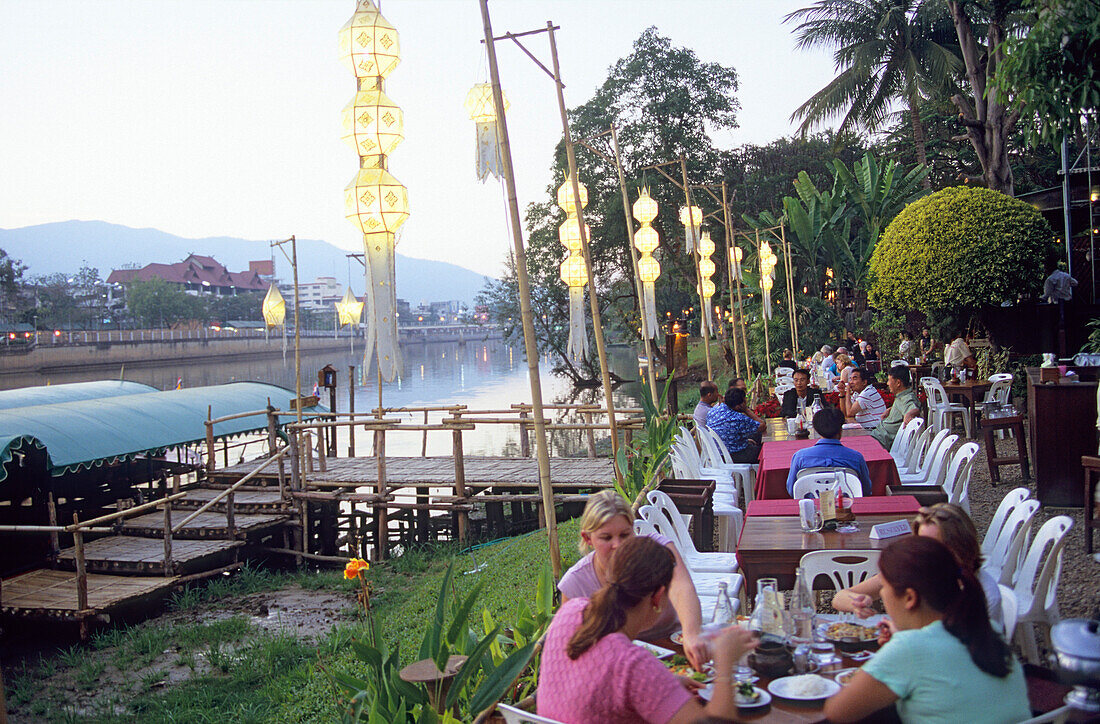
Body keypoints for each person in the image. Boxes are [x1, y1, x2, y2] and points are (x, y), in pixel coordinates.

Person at [539, 536, 758, 723]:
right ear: (658, 596)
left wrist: (663, 685)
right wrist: (726, 662)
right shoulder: (633, 665)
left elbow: (592, 681)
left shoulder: (569, 613)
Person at [823, 536, 1028, 724]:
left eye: (883, 587)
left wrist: (894, 649)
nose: (882, 594)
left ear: (910, 598)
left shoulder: (909, 649)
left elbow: (837, 712)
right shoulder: (986, 628)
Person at [558, 491, 709, 669]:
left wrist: (691, 635)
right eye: (606, 538)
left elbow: (682, 588)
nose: (618, 545)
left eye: (624, 535)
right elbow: (574, 644)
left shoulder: (657, 551)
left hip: (674, 646)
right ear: (587, 538)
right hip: (619, 663)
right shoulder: (575, 583)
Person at [831, 503, 1002, 628]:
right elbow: (839, 598)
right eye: (920, 542)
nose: (924, 551)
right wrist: (855, 603)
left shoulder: (983, 593)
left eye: (933, 545)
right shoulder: (917, 569)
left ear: (959, 546)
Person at [786, 407, 872, 496]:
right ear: (840, 430)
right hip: (846, 507)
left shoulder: (800, 457)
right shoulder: (856, 458)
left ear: (816, 430)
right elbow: (865, 490)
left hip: (812, 507)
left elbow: (792, 490)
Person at [707, 388, 765, 463]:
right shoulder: (738, 418)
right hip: (733, 455)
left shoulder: (713, 411)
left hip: (716, 453)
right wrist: (746, 410)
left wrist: (746, 441)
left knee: (755, 435)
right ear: (739, 406)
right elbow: (762, 426)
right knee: (765, 450)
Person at [871, 365, 920, 450]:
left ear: (898, 383)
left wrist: (909, 414)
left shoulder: (907, 398)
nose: (887, 384)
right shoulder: (901, 396)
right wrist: (890, 409)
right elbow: (902, 405)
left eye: (889, 381)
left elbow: (914, 408)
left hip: (881, 441)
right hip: (878, 435)